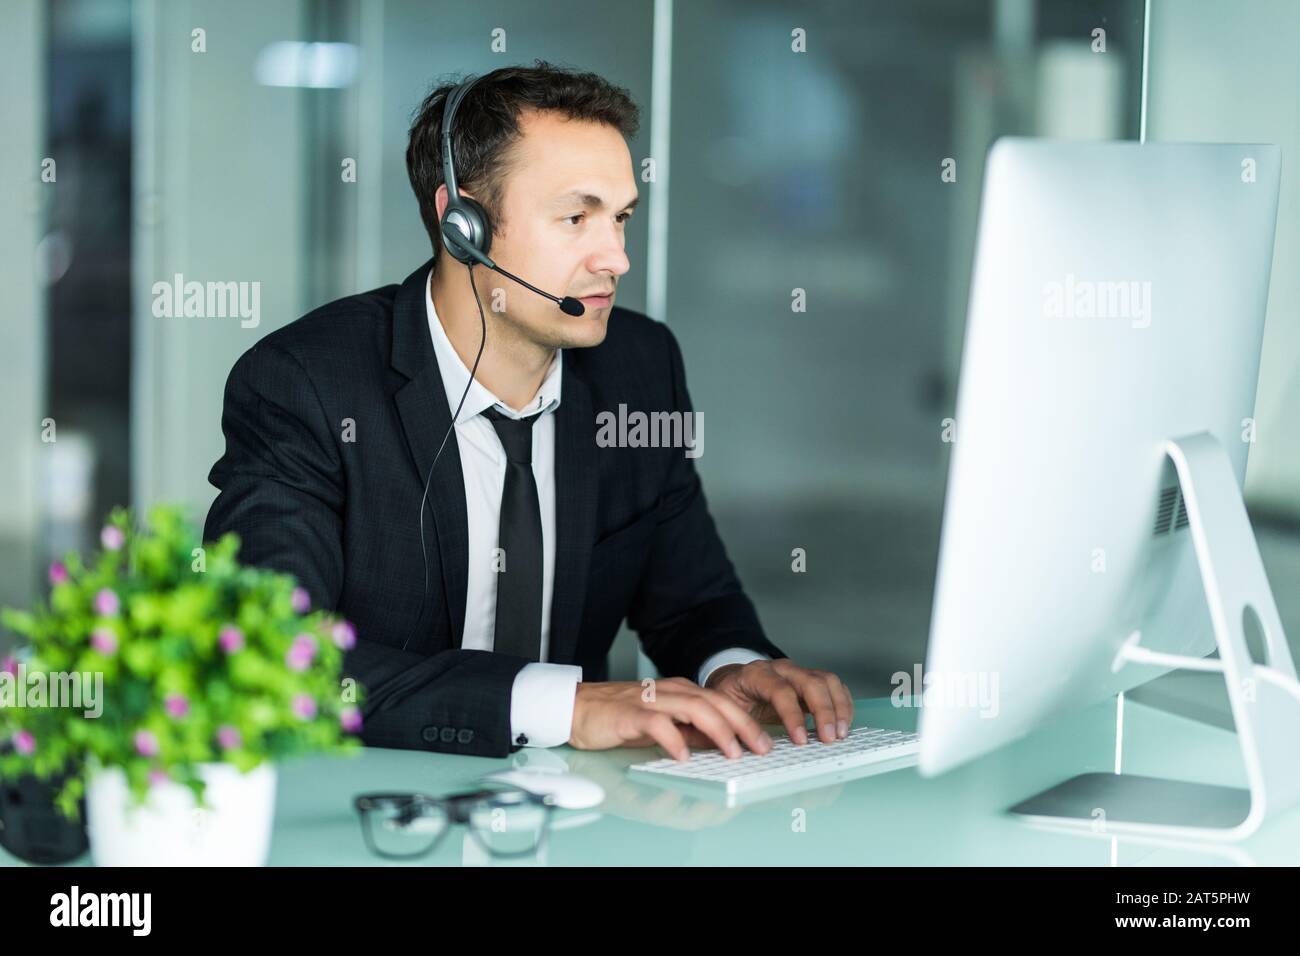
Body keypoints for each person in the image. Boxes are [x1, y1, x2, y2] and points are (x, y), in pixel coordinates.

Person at [204, 61, 854, 763]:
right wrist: (560, 707)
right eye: (577, 217)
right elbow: (272, 657)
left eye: (621, 218)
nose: (616, 258)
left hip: (579, 818)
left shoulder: (639, 369)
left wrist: (733, 668)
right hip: (368, 810)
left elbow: (692, 601)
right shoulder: (306, 385)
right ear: (463, 226)